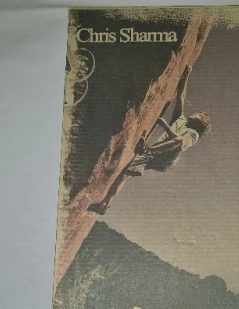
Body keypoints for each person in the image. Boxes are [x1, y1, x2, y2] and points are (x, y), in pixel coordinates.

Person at [88, 65, 211, 215]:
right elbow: (181, 97)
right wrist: (186, 76)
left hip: (165, 158)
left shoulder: (193, 134)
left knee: (176, 142)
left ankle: (147, 150)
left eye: (199, 115)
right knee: (126, 173)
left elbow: (180, 142)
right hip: (157, 154)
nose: (196, 113)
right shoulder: (180, 119)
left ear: (200, 123)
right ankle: (104, 205)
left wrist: (164, 126)